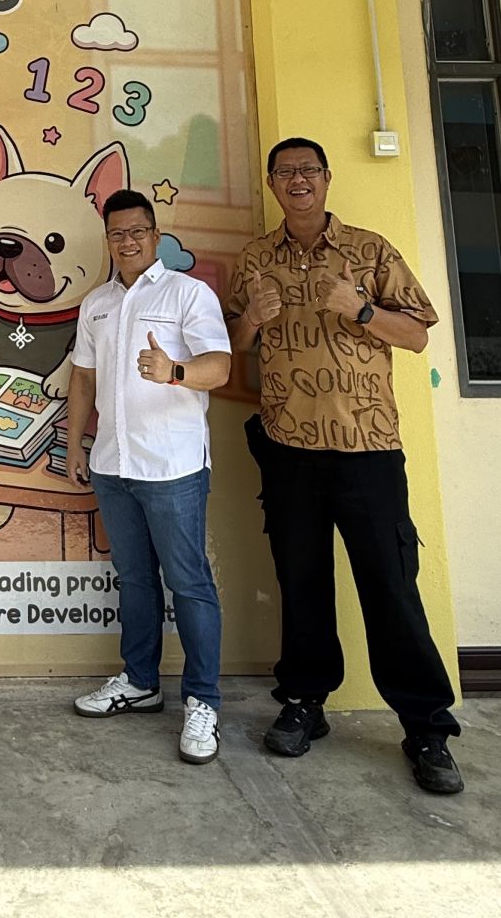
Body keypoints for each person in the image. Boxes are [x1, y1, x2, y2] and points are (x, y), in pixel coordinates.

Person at [226, 136, 463, 795]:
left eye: (308, 170)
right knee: (300, 582)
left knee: (390, 586)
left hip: (368, 448)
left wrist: (359, 309)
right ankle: (304, 702)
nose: (297, 180)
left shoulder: (370, 250)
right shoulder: (253, 260)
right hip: (288, 447)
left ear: (326, 179)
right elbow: (230, 347)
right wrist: (253, 323)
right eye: (285, 171)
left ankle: (426, 727)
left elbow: (417, 335)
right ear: (272, 184)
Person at [66, 190, 232, 764]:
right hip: (113, 464)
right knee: (135, 581)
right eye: (118, 233)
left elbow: (220, 366)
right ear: (107, 238)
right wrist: (75, 445)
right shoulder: (97, 304)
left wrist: (174, 370)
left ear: (155, 233)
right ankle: (139, 682)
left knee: (188, 584)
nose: (128, 241)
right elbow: (82, 380)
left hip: (173, 467)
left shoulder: (189, 294)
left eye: (138, 231)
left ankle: (203, 701)